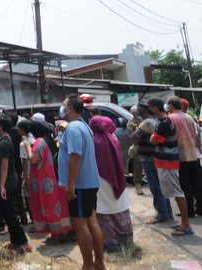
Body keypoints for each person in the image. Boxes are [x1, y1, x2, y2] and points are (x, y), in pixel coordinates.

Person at [58, 95, 105, 270]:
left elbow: (75, 156)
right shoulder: (83, 125)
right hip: (88, 183)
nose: (61, 108)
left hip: (80, 185)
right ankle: (99, 263)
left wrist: (70, 184)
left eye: (63, 105)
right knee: (91, 222)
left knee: (80, 225)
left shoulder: (73, 128)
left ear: (70, 108)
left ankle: (88, 265)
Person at [147, 98, 193, 236]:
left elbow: (154, 140)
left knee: (178, 193)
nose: (149, 110)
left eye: (150, 107)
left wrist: (152, 137)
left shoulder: (165, 123)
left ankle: (186, 224)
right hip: (164, 162)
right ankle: (183, 223)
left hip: (168, 162)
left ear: (155, 108)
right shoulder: (161, 122)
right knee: (173, 192)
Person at [90, 116, 133, 251]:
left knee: (103, 212)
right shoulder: (113, 139)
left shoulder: (92, 141)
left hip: (99, 180)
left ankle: (109, 242)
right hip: (116, 179)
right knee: (118, 208)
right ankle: (125, 241)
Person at [23, 122, 72, 244]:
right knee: (56, 207)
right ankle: (60, 234)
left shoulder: (39, 142)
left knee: (48, 207)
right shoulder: (49, 140)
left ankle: (55, 237)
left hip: (46, 182)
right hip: (54, 179)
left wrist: (28, 147)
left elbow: (33, 158)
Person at [0, 113, 33, 253]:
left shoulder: (4, 143)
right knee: (7, 212)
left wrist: (1, 185)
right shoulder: (6, 139)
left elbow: (4, 166)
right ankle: (15, 241)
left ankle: (24, 242)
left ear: (1, 126)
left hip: (7, 182)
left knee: (9, 213)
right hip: (10, 179)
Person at [130, 101, 173, 223]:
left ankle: (162, 214)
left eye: (139, 108)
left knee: (155, 186)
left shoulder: (147, 122)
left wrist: (135, 131)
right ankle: (167, 212)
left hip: (149, 158)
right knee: (160, 186)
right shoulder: (154, 120)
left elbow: (134, 137)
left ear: (143, 110)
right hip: (154, 157)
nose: (136, 109)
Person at [166, 96, 202, 217]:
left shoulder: (170, 118)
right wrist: (199, 149)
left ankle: (189, 211)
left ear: (171, 105)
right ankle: (200, 209)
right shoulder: (189, 117)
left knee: (185, 185)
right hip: (192, 154)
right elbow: (196, 136)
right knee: (197, 183)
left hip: (180, 156)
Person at [7, 112, 27, 225]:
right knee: (19, 196)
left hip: (11, 166)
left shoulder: (8, 135)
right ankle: (24, 218)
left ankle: (17, 218)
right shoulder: (19, 134)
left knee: (12, 195)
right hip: (19, 165)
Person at [18, 119, 35, 224]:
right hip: (36, 171)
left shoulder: (23, 143)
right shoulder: (35, 139)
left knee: (29, 198)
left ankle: (34, 220)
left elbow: (24, 161)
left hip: (28, 172)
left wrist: (24, 178)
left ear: (23, 130)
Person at [127, 105, 144, 195]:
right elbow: (134, 137)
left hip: (149, 146)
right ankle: (138, 184)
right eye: (135, 114)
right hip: (138, 146)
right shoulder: (131, 123)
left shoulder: (145, 119)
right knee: (137, 166)